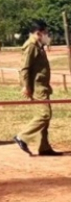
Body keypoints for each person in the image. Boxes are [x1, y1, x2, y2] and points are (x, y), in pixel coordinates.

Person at [13, 20, 61, 156]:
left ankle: (44, 147)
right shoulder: (31, 46)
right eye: (45, 32)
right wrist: (25, 86)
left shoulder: (39, 45)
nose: (47, 35)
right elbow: (25, 68)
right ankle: (22, 137)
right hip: (36, 86)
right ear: (38, 33)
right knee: (44, 114)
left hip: (43, 86)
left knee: (45, 117)